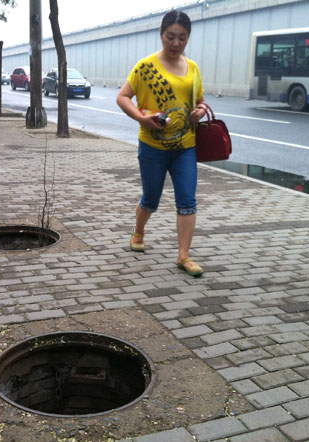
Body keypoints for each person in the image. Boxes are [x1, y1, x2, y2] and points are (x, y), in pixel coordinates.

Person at [116, 10, 209, 277]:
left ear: (188, 37)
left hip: (185, 147)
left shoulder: (193, 68)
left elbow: (200, 100)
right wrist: (141, 119)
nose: (176, 43)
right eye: (171, 37)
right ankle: (139, 232)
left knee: (187, 200)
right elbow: (122, 97)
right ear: (161, 34)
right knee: (151, 199)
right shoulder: (145, 67)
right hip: (153, 147)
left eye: (182, 37)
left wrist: (200, 110)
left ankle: (184, 256)